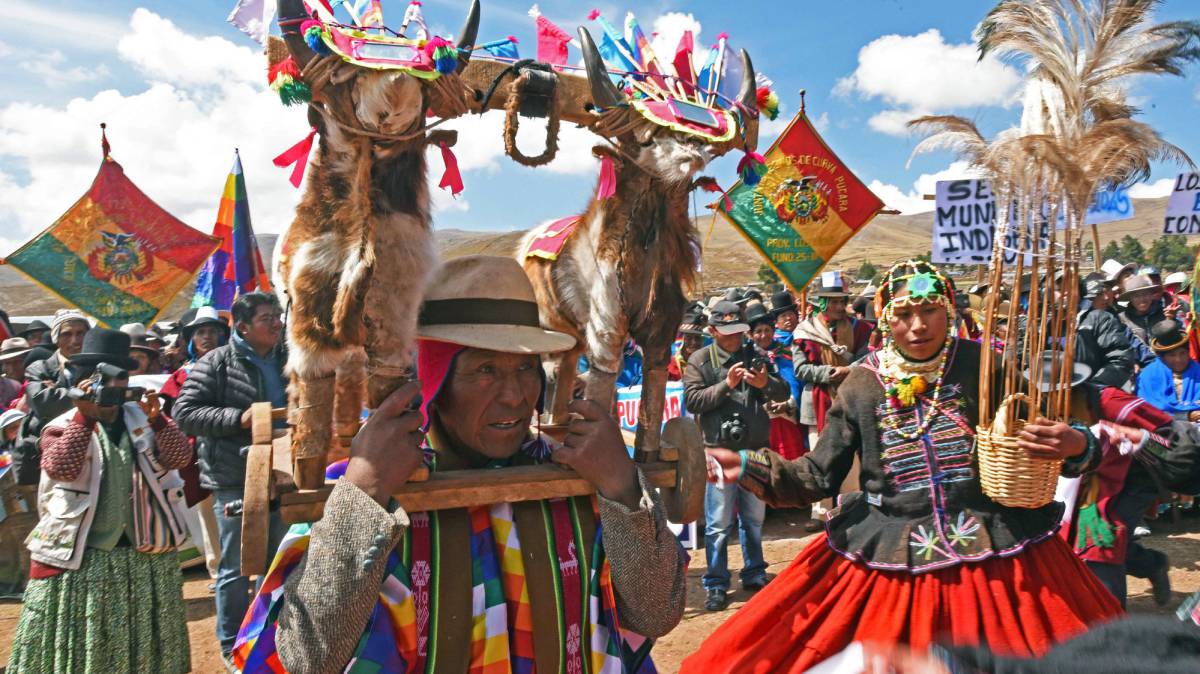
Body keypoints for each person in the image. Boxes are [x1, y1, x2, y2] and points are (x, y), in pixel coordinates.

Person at [232, 256, 686, 672]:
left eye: (526, 368)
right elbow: (308, 658)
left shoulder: (578, 472)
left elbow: (656, 613)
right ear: (435, 382)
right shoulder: (362, 486)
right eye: (485, 370)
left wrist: (624, 487)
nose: (515, 395)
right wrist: (364, 499)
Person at [683, 260, 1122, 673]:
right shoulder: (861, 383)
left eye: (931, 310)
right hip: (891, 548)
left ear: (948, 312)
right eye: (904, 313)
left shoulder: (983, 365)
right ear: (885, 318)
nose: (918, 325)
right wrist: (745, 464)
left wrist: (1074, 443)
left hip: (997, 546)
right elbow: (815, 476)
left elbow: (1038, 438)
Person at [8, 328, 193, 673]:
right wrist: (84, 415)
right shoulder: (63, 422)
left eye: (119, 375)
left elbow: (180, 457)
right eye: (101, 374)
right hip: (84, 557)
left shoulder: (144, 418)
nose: (112, 384)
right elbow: (62, 467)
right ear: (83, 378)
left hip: (143, 552)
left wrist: (159, 419)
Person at [173, 292, 287, 664]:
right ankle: (230, 644)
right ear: (241, 326)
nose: (276, 323)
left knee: (282, 558)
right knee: (237, 566)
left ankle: (276, 635)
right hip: (234, 475)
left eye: (277, 316)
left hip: (286, 474)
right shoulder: (216, 363)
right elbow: (185, 413)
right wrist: (237, 418)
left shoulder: (290, 357)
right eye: (267, 318)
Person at [683, 299, 790, 611]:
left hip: (754, 451)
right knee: (717, 524)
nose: (735, 337)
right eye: (728, 332)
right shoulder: (700, 361)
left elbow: (783, 391)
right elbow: (693, 401)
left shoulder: (755, 355)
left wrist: (765, 383)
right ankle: (716, 583)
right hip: (717, 453)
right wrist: (726, 385)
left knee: (754, 519)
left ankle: (754, 572)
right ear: (713, 330)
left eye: (739, 331)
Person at [1075, 273, 1135, 393]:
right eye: (1098, 294)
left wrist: (1096, 387)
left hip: (1103, 389)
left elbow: (1123, 353)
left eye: (1107, 291)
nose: (1106, 298)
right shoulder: (1079, 321)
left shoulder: (1116, 317)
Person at [1118, 275, 1165, 366]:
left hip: (1165, 364)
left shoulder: (1164, 313)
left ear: (1151, 295)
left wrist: (1171, 319)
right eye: (1136, 296)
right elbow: (1123, 347)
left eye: (1145, 294)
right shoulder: (1123, 320)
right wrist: (1133, 361)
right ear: (1130, 299)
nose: (1142, 299)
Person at [667, 308, 707, 381]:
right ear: (680, 340)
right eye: (688, 337)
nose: (694, 342)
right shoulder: (670, 366)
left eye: (697, 338)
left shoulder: (707, 364)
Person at [0, 337, 32, 407]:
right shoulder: (3, 386)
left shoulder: (39, 381)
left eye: (17, 362)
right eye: (7, 363)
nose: (12, 368)